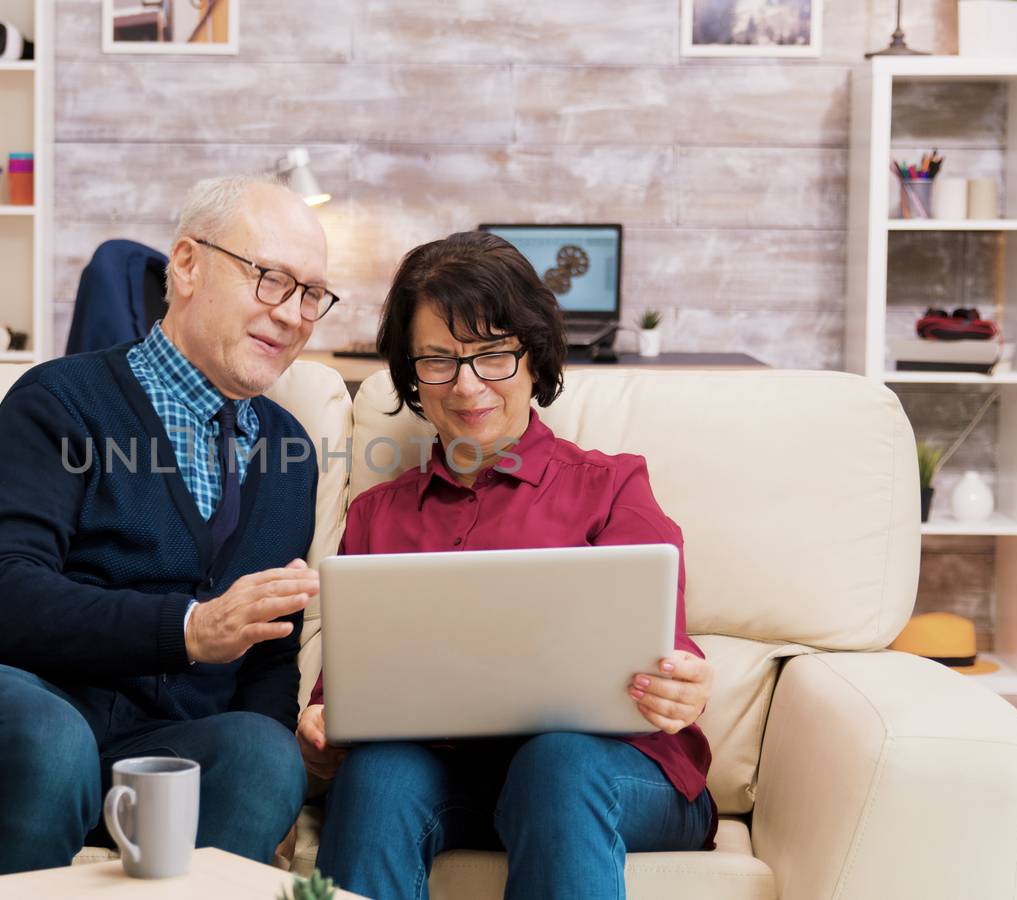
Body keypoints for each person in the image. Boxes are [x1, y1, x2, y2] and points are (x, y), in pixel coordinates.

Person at [0, 175, 342, 874]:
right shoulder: (60, 401)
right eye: (270, 279)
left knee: (262, 755)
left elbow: (268, 654)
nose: (294, 314)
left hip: (147, 744)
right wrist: (187, 630)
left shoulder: (292, 455)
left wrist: (286, 757)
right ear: (186, 265)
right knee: (50, 739)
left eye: (311, 295)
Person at [298, 231, 716, 899]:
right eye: (437, 361)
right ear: (412, 375)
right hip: (450, 777)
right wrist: (321, 731)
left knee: (556, 761)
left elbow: (666, 650)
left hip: (606, 773)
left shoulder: (610, 486)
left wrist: (682, 684)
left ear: (532, 357)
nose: (467, 387)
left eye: (491, 354)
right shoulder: (378, 514)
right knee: (377, 772)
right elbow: (344, 696)